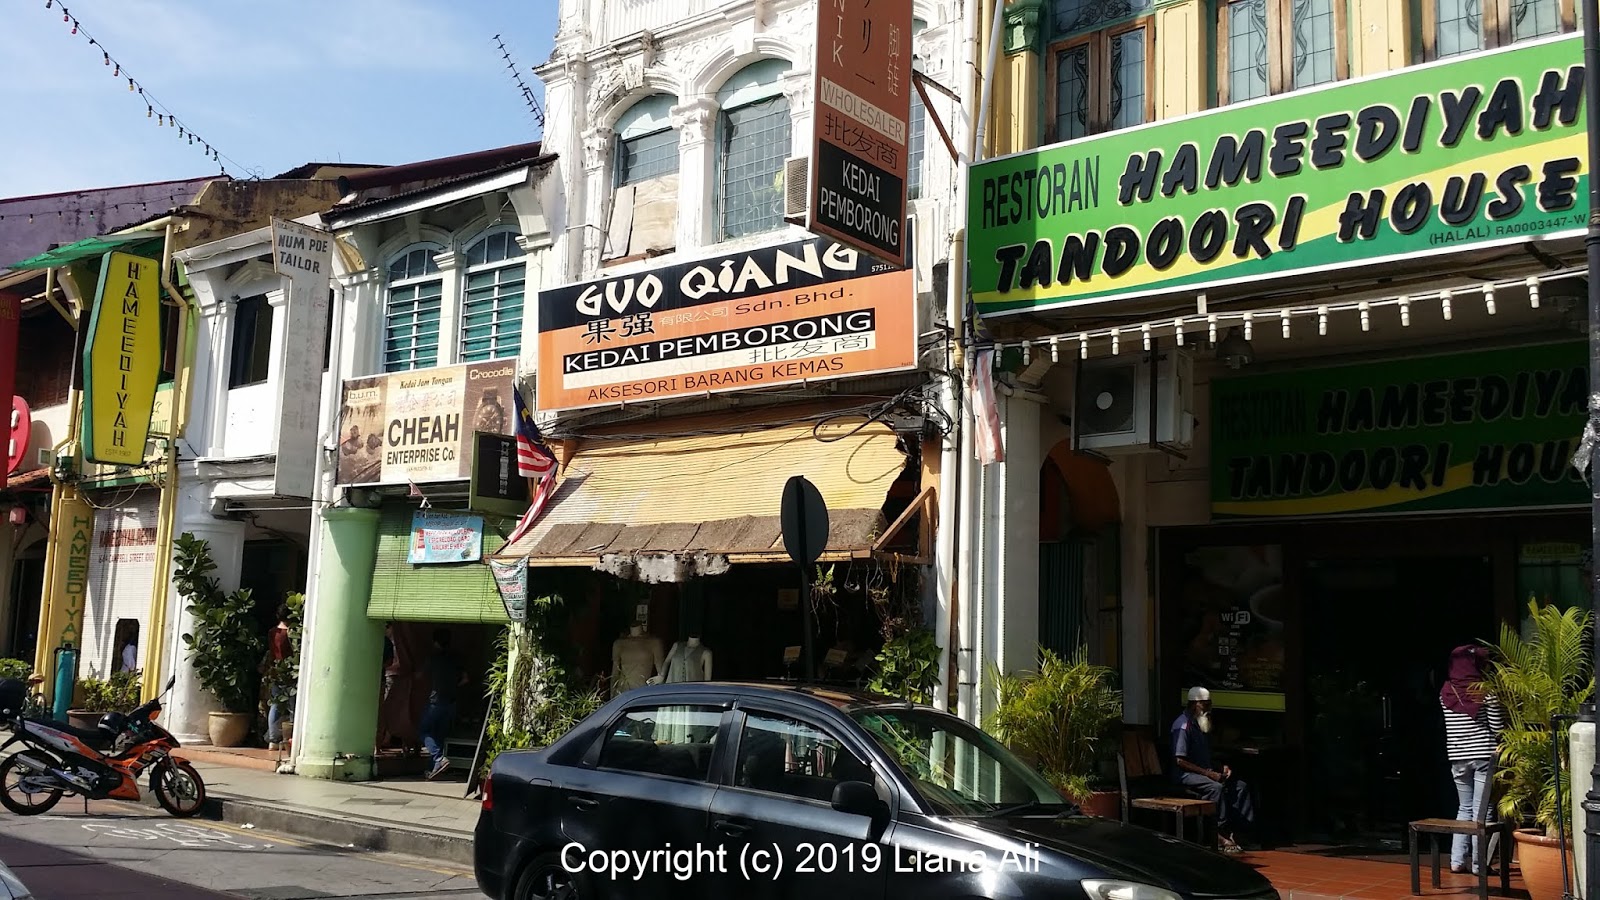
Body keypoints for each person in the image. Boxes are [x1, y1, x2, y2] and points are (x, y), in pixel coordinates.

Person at [1441, 644, 1508, 875]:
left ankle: (1457, 861)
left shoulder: (1446, 691)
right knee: (1483, 810)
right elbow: (1497, 726)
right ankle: (1480, 865)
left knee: (1464, 808)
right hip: (1483, 755)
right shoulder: (1485, 692)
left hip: (1457, 756)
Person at [1171, 686, 1255, 852]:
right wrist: (1209, 774)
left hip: (1205, 771)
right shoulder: (1183, 725)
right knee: (1215, 788)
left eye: (1209, 704)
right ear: (1195, 704)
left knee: (1240, 786)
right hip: (1185, 775)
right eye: (1205, 704)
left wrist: (1221, 767)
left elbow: (1206, 755)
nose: (1209, 708)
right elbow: (1180, 760)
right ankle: (1218, 831)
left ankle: (1240, 831)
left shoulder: (1203, 724)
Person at [418, 628, 467, 780]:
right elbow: (466, 679)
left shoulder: (433, 658)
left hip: (436, 701)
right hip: (452, 702)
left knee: (424, 731)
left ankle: (439, 759)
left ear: (435, 642)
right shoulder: (456, 658)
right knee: (438, 735)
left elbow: (419, 675)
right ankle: (433, 769)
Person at [262, 604, 293, 750]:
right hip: (290, 671)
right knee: (293, 705)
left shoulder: (272, 632)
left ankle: (273, 740)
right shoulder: (291, 634)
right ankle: (290, 738)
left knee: (275, 704)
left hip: (275, 670)